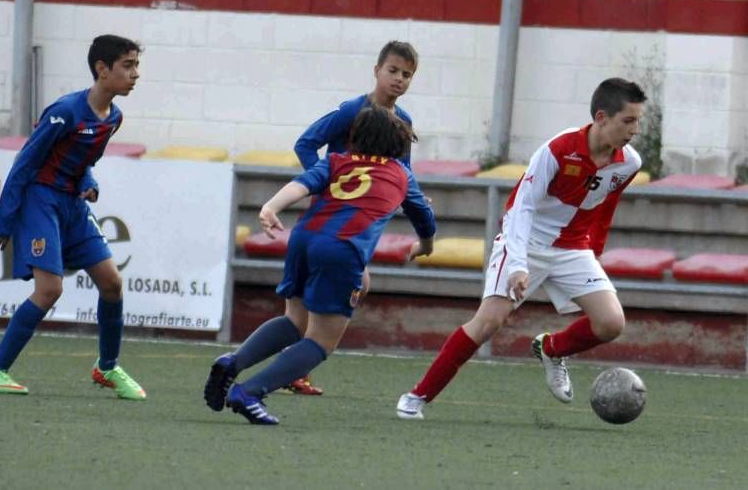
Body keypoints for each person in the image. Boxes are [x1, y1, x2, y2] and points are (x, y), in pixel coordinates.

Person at [396, 77, 646, 420]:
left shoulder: (629, 162)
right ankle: (417, 396)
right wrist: (517, 264)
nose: (635, 129)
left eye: (638, 121)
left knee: (610, 323)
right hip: (524, 241)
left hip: (572, 247)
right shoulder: (557, 150)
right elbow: (520, 208)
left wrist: (595, 252)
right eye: (628, 121)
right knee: (488, 323)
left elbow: (605, 207)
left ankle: (551, 349)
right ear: (601, 117)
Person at [205, 105, 436, 424]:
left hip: (303, 239)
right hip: (340, 250)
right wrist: (424, 246)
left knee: (294, 321)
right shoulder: (400, 172)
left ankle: (233, 362)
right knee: (320, 342)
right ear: (395, 141)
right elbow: (423, 218)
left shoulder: (336, 160)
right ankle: (250, 391)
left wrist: (270, 207)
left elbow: (301, 185)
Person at [0, 35, 146, 401]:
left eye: (136, 66)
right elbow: (27, 161)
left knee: (112, 284)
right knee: (50, 290)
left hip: (72, 205)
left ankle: (108, 367)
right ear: (102, 70)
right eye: (128, 66)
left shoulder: (113, 117)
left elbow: (81, 161)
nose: (136, 74)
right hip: (41, 201)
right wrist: (5, 219)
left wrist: (89, 182)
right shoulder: (64, 111)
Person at [289, 40, 419, 395]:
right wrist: (322, 181)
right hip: (332, 214)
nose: (399, 79)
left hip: (358, 218)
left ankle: (294, 365)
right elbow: (305, 143)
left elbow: (401, 170)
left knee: (351, 284)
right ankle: (292, 367)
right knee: (340, 286)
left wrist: (412, 200)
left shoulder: (402, 121)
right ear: (376, 71)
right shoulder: (351, 110)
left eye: (407, 75)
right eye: (393, 71)